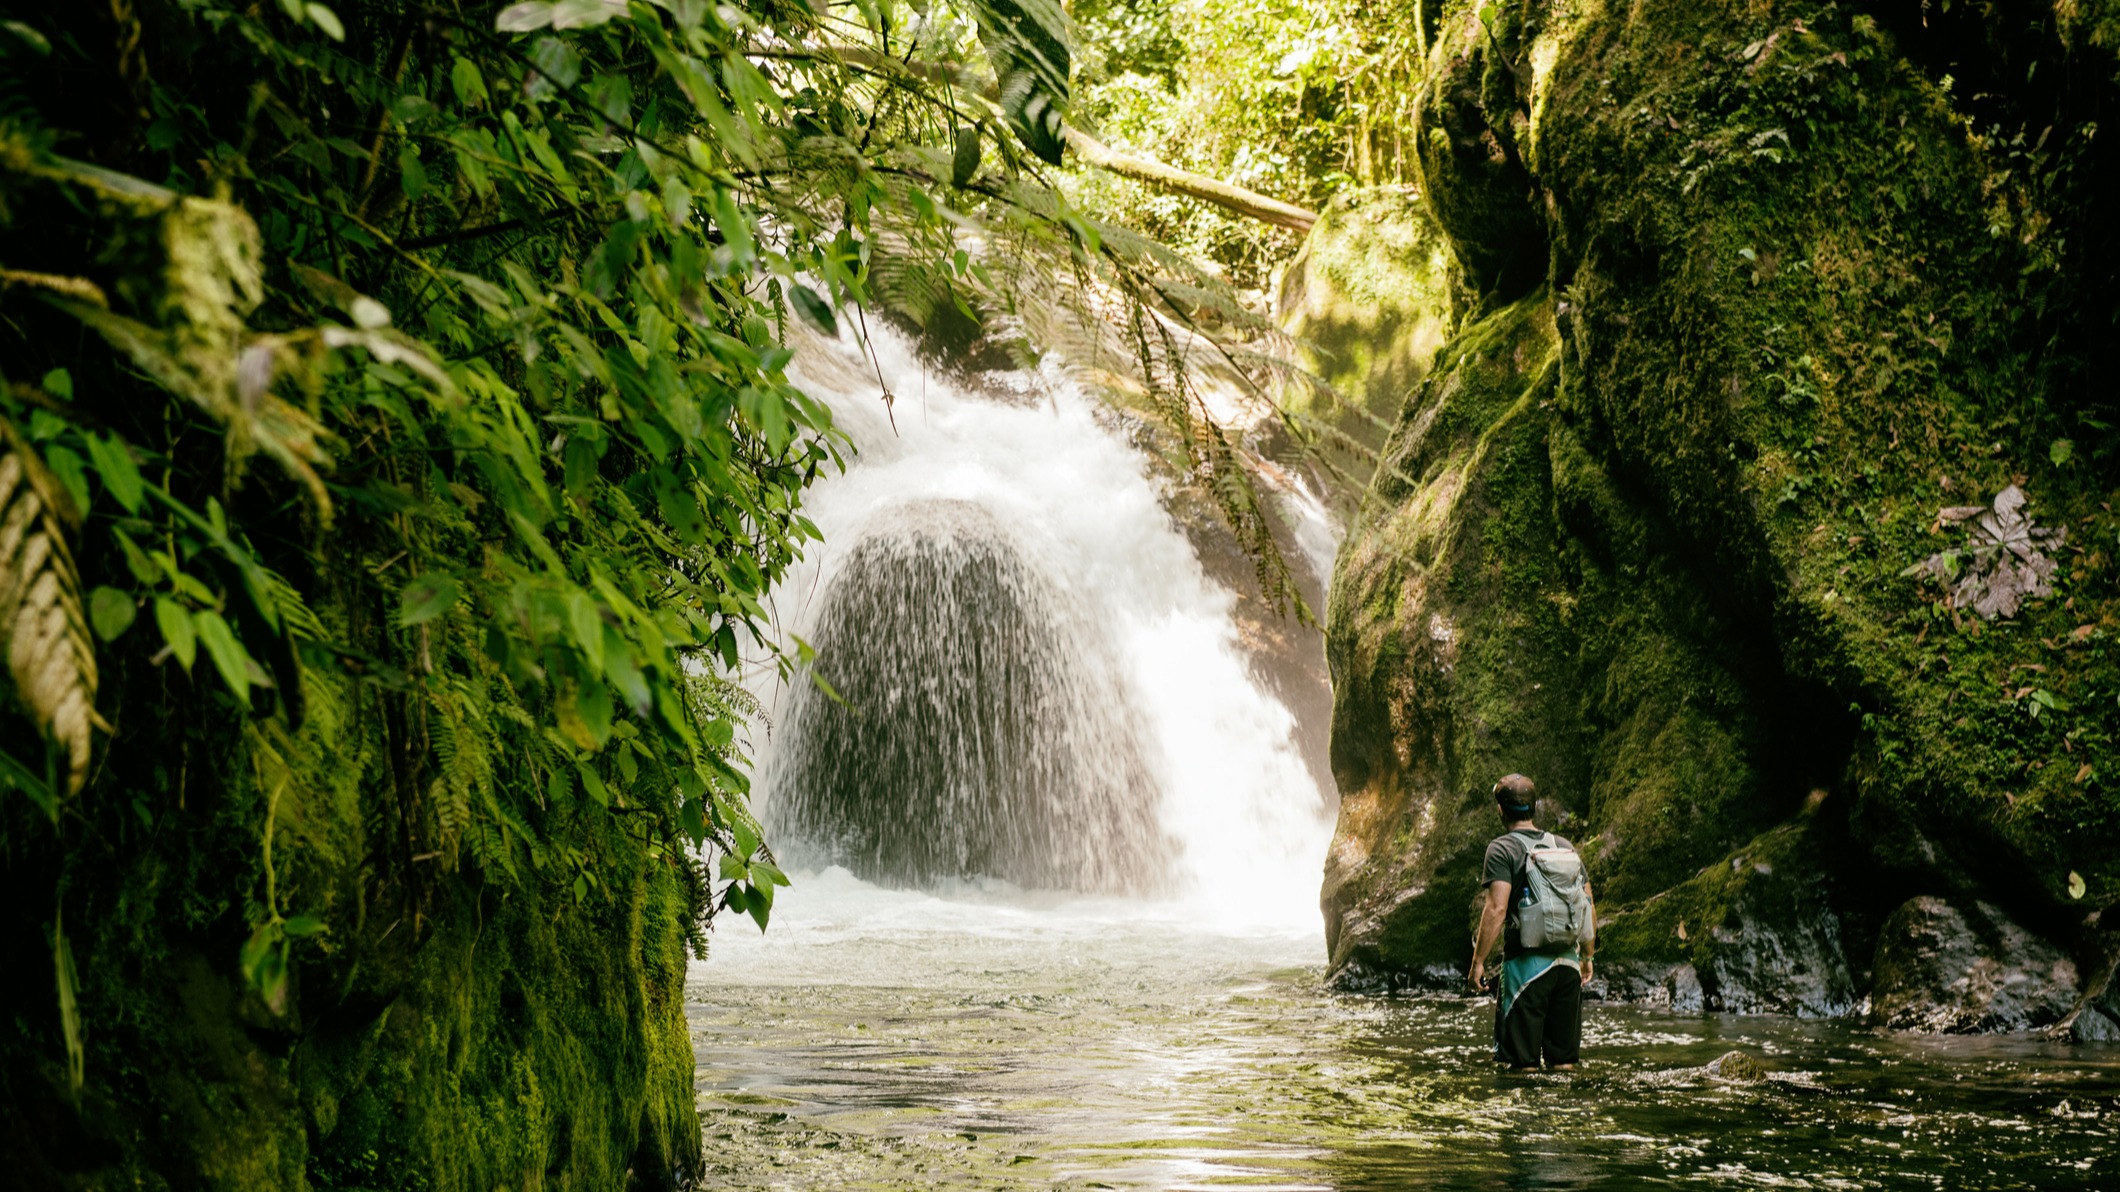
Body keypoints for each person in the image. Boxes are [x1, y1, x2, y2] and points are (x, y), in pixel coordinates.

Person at [1467, 773, 1594, 1069]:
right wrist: (1588, 956)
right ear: (1535, 807)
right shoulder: (1563, 845)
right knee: (1564, 1065)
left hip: (1526, 970)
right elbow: (1587, 902)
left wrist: (1478, 963)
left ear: (1500, 810)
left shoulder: (1501, 849)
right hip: (1568, 967)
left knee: (1521, 1068)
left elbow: (1497, 908)